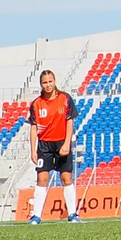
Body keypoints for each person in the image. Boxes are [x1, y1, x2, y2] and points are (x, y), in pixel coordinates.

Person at [27, 69, 79, 224]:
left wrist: (67, 143)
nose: (48, 85)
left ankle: (73, 214)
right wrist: (33, 150)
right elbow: (33, 127)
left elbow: (70, 122)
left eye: (50, 81)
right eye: (45, 82)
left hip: (62, 142)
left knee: (66, 177)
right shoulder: (36, 104)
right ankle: (36, 216)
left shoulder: (65, 99)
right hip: (44, 145)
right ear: (41, 84)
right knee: (42, 178)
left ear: (55, 81)